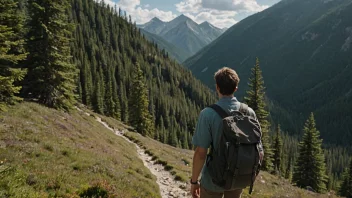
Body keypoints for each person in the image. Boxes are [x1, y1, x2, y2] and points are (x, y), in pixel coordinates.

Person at [190, 67, 264, 198]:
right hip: (238, 179)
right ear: (236, 88)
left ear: (217, 87)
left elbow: (201, 153)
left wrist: (194, 181)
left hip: (213, 180)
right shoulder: (249, 112)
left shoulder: (207, 115)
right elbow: (259, 150)